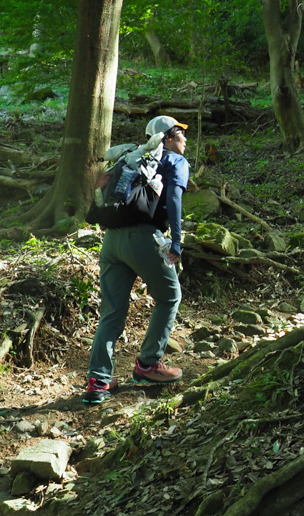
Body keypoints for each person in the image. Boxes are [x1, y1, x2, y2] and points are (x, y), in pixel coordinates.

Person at [83, 115, 189, 404]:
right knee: (170, 296)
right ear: (166, 138)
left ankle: (98, 382)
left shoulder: (130, 160)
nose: (185, 139)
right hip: (142, 239)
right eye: (180, 134)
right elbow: (175, 200)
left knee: (112, 312)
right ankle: (148, 365)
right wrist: (177, 241)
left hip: (111, 242)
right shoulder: (174, 162)